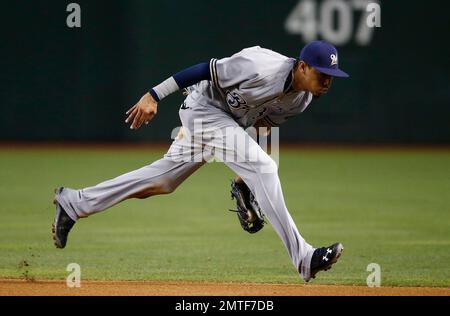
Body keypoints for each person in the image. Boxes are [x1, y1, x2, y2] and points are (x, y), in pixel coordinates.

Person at [52, 40, 349, 282]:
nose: (327, 81)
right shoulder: (260, 65)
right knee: (266, 167)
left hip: (225, 124)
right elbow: (204, 70)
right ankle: (305, 259)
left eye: (331, 77)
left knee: (162, 181)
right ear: (302, 66)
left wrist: (242, 179)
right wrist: (153, 95)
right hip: (203, 109)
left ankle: (75, 203)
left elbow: (261, 126)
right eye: (322, 74)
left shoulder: (301, 99)